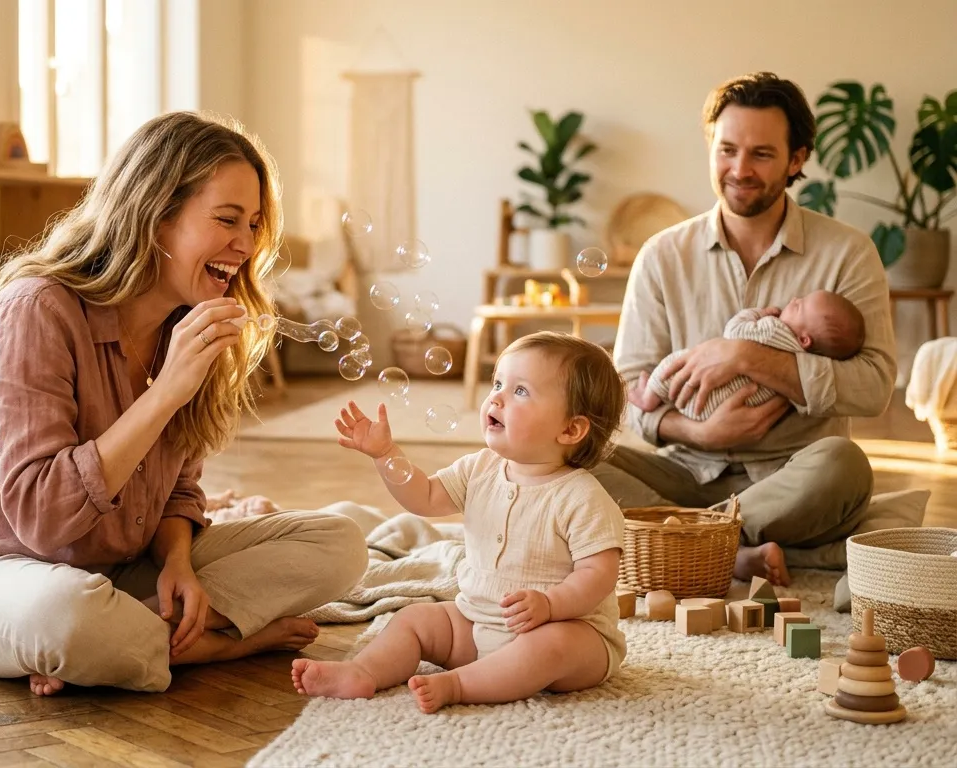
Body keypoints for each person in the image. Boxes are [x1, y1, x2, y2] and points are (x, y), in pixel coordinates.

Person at [0, 111, 368, 696]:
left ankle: (125, 639)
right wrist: (166, 391)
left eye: (252, 224)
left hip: (114, 573)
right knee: (65, 616)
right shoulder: (36, 310)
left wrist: (178, 562)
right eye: (227, 220)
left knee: (339, 544)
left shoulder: (185, 323)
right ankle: (214, 644)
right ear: (154, 216)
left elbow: (178, 489)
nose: (246, 246)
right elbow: (44, 520)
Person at [593, 72, 897, 587]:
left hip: (795, 478)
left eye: (761, 154)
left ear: (796, 159)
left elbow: (874, 386)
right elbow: (625, 390)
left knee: (845, 466)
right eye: (727, 149)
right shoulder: (662, 255)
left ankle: (676, 540)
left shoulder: (849, 253)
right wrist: (698, 431)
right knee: (570, 457)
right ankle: (729, 546)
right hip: (687, 471)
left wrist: (747, 358)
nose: (739, 169)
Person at [292, 332, 627, 714]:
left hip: (570, 635)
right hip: (476, 619)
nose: (496, 397)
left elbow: (599, 573)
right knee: (415, 619)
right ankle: (363, 671)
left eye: (520, 391)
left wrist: (551, 605)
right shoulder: (480, 468)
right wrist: (386, 455)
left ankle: (459, 685)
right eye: (498, 383)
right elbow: (426, 497)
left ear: (570, 430)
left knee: (552, 646)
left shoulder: (581, 496)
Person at [630, 290, 866, 421]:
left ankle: (649, 397)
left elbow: (734, 333)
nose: (793, 300)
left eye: (799, 307)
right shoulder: (805, 359)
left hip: (702, 399)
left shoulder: (774, 330)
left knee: (678, 361)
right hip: (724, 410)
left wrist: (758, 314)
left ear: (805, 339)